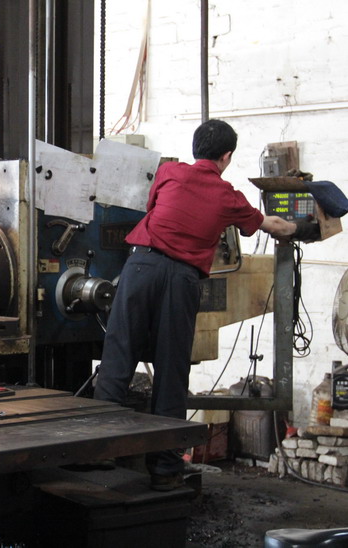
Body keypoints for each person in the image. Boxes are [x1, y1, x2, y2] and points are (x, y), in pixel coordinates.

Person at [93, 119, 313, 491]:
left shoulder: (168, 172)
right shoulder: (229, 197)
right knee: (171, 371)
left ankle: (96, 455)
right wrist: (303, 228)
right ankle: (165, 470)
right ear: (227, 156)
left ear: (196, 149)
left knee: (118, 358)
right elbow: (271, 226)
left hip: (141, 266)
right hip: (181, 279)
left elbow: (153, 207)